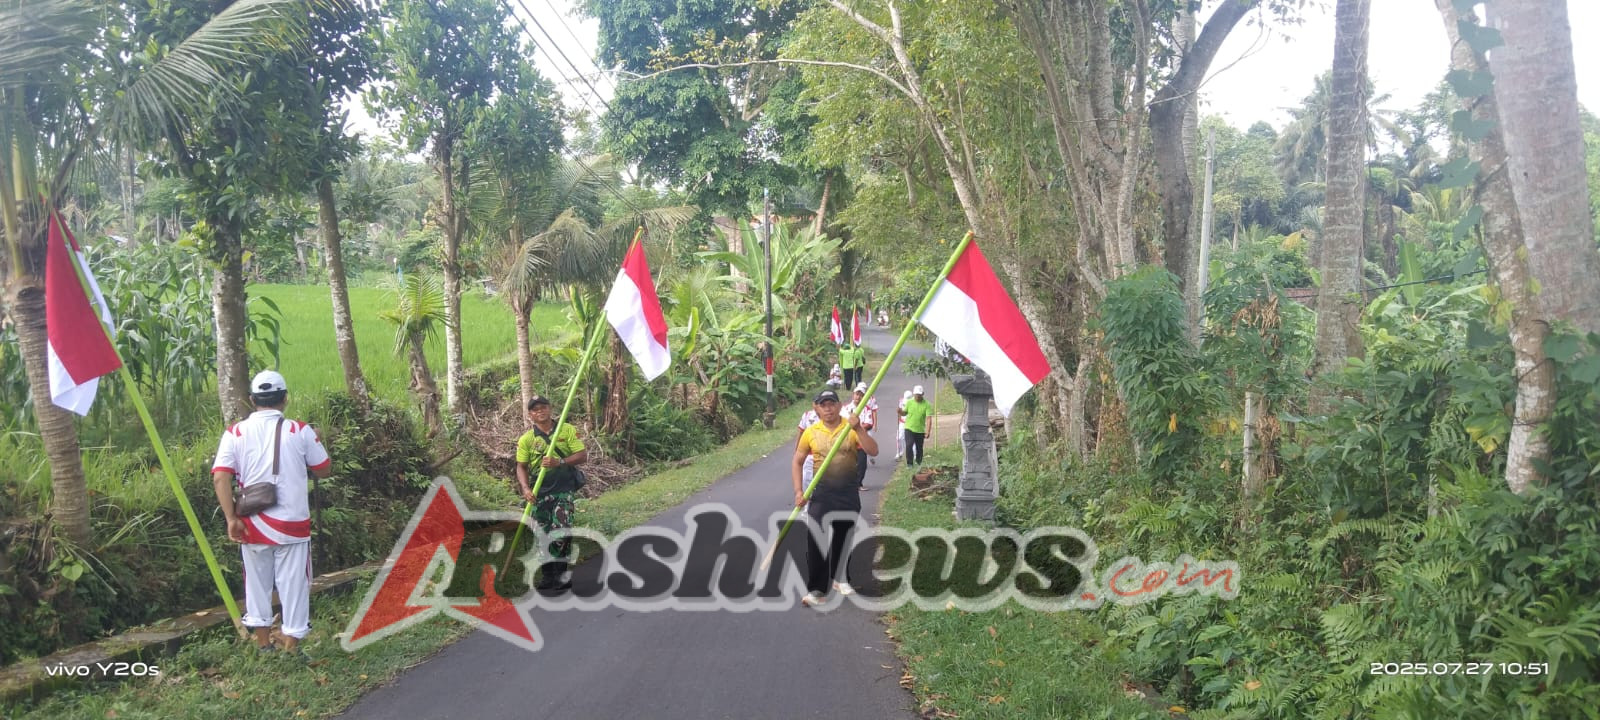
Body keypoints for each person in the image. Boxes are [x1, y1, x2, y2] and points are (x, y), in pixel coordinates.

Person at [211, 370, 332, 659]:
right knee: (294, 584)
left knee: (256, 584)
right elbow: (324, 469)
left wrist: (231, 518)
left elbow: (220, 477)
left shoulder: (235, 432)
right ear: (285, 399)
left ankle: (263, 644)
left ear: (252, 400)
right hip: (292, 524)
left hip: (251, 522)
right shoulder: (299, 430)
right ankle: (291, 648)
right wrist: (316, 440)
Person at [792, 389, 878, 607]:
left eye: (832, 404)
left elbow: (873, 450)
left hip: (847, 493)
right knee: (816, 541)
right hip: (821, 494)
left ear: (840, 406)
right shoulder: (811, 432)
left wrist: (858, 427)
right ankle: (817, 590)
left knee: (844, 536)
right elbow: (798, 461)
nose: (828, 408)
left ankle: (840, 579)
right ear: (817, 408)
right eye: (823, 404)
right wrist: (799, 492)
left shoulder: (850, 428)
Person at [515, 395, 589, 592]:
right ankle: (549, 575)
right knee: (542, 533)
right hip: (539, 493)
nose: (540, 411)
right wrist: (525, 488)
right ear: (530, 414)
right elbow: (521, 466)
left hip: (563, 490)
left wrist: (560, 462)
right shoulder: (527, 439)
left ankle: (561, 573)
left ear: (550, 408)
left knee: (561, 529)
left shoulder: (566, 430)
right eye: (535, 409)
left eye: (543, 407)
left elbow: (582, 455)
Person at [842, 383, 879, 476]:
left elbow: (868, 423)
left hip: (861, 440)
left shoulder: (866, 409)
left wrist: (857, 427)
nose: (858, 397)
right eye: (856, 394)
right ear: (853, 395)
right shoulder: (845, 408)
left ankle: (859, 483)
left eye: (860, 395)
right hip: (848, 441)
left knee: (862, 465)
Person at [900, 385, 932, 466]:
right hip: (909, 428)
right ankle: (909, 464)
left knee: (919, 448)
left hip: (920, 429)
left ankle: (918, 463)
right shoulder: (909, 402)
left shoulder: (927, 404)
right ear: (914, 394)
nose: (917, 396)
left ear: (922, 394)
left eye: (919, 395)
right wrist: (900, 412)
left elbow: (928, 419)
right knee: (909, 444)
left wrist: (928, 431)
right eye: (916, 394)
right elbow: (904, 413)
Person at [794, 405, 821, 493]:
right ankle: (808, 503)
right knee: (807, 480)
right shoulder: (807, 415)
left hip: (824, 455)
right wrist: (796, 450)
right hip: (809, 455)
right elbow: (801, 432)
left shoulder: (829, 416)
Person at [894, 390, 911, 460]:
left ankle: (908, 454)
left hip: (910, 423)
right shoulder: (901, 400)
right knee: (898, 438)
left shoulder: (913, 402)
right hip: (902, 422)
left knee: (908, 440)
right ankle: (898, 453)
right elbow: (900, 411)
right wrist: (898, 421)